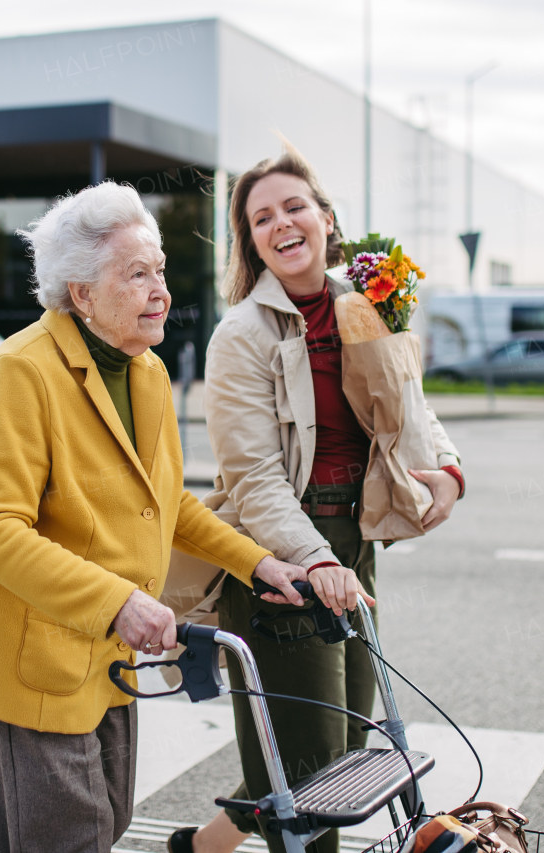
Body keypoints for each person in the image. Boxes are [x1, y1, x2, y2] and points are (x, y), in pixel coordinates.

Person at [0, 181, 316, 853]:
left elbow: (166, 504)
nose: (160, 291)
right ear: (80, 293)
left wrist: (256, 561)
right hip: (31, 659)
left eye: (159, 271)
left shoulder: (147, 374)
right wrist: (118, 602)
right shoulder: (20, 373)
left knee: (92, 824)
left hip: (104, 654)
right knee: (67, 836)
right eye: (136, 274)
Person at [167, 148, 463, 853]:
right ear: (253, 242)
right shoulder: (241, 335)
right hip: (285, 557)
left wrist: (447, 467)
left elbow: (408, 407)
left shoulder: (365, 308)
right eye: (261, 218)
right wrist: (313, 558)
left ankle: (198, 849)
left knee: (340, 744)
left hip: (353, 544)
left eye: (294, 206)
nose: (282, 223)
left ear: (327, 220)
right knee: (313, 776)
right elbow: (254, 478)